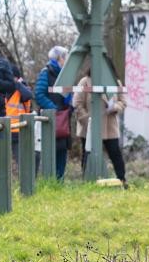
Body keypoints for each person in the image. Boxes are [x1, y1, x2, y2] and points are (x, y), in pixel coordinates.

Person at [74, 73, 127, 184]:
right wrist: (87, 119)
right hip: (89, 126)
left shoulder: (115, 82)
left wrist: (114, 107)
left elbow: (123, 102)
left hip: (109, 126)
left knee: (115, 153)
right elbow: (77, 104)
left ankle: (122, 181)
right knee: (88, 153)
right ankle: (87, 181)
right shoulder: (85, 82)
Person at [34, 45, 73, 180]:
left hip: (63, 121)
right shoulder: (46, 73)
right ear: (59, 58)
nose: (67, 61)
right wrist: (53, 110)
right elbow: (39, 94)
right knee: (50, 152)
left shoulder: (65, 74)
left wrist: (70, 103)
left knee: (62, 151)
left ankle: (59, 182)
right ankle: (50, 182)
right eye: (65, 58)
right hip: (50, 121)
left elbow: (68, 95)